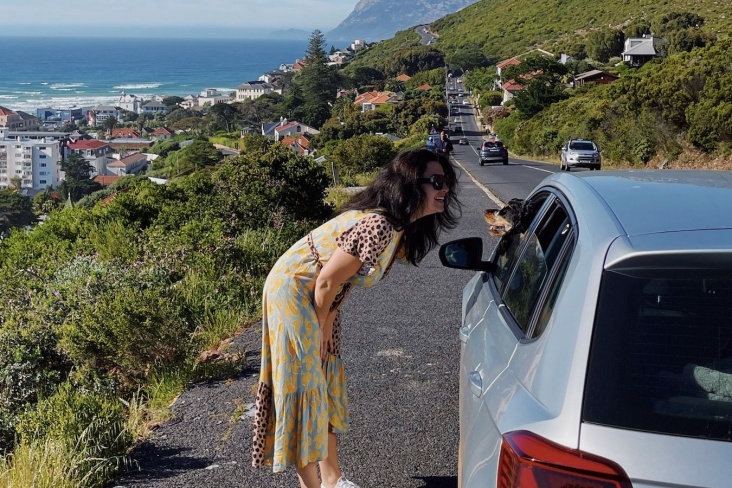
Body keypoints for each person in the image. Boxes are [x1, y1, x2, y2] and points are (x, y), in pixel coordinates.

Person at [252, 149, 461, 488]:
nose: (445, 189)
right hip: (292, 292)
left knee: (325, 378)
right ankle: (312, 484)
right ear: (410, 185)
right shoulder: (379, 223)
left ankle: (333, 479)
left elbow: (338, 282)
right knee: (304, 385)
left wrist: (328, 320)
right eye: (437, 181)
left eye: (447, 182)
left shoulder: (397, 228)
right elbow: (324, 280)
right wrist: (320, 328)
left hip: (319, 297)